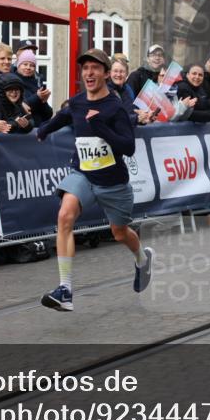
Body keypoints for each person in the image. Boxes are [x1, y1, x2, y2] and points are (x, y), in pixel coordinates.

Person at [36, 48, 154, 312]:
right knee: (65, 215)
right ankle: (65, 290)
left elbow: (128, 147)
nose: (89, 73)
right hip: (83, 174)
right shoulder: (78, 102)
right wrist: (44, 129)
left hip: (113, 182)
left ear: (105, 73)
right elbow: (66, 115)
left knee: (120, 232)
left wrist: (101, 127)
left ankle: (142, 259)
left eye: (95, 68)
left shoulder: (115, 108)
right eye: (85, 68)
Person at [15, 48, 54, 122]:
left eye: (32, 65)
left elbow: (48, 115)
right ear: (18, 65)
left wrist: (43, 101)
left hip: (38, 127)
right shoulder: (13, 82)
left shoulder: (37, 83)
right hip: (23, 128)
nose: (28, 67)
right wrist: (37, 97)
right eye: (25, 64)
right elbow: (19, 108)